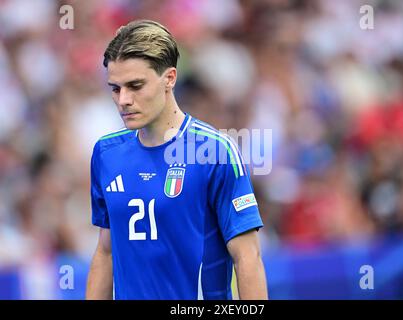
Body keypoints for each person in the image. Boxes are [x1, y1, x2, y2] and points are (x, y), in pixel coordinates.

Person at [86, 19, 268, 300]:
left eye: (135, 86)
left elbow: (248, 256)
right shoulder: (106, 154)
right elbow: (106, 251)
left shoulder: (214, 151)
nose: (123, 99)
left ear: (169, 78)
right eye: (115, 88)